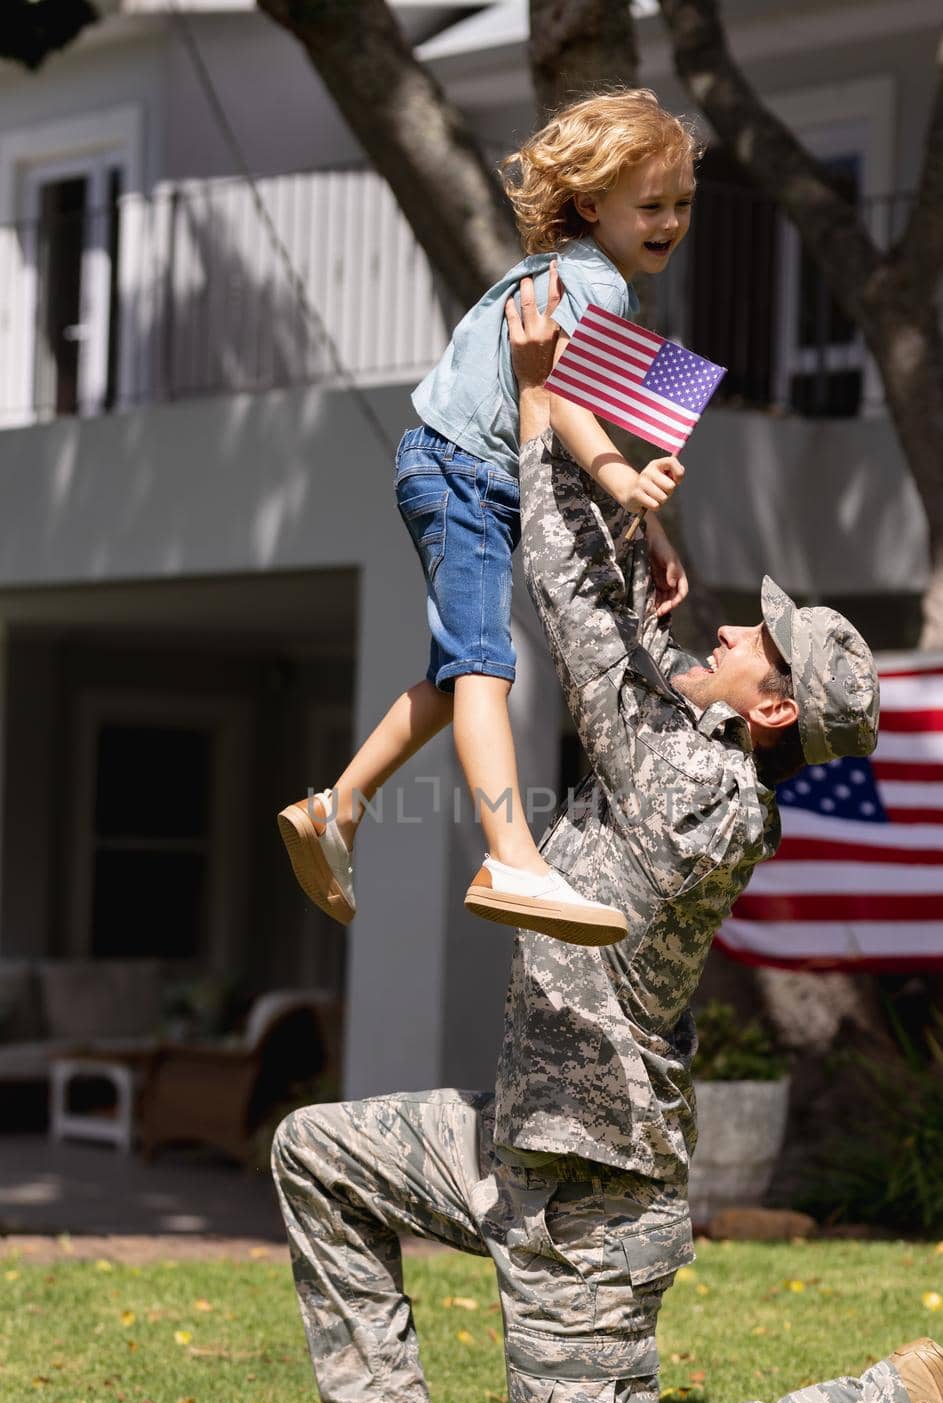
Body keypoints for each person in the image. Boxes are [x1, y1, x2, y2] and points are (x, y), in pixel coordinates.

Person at [238, 273, 943, 1403]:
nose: (729, 632)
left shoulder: (694, 789)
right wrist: (632, 518)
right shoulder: (702, 754)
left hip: (588, 1190)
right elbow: (635, 650)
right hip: (524, 1136)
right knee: (318, 1153)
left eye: (754, 643)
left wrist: (542, 400)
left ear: (769, 710)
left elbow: (572, 616)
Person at [277, 88, 697, 949]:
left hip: (451, 467)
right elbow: (573, 409)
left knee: (452, 674)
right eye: (650, 206)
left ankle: (336, 808)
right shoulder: (592, 286)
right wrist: (623, 487)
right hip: (464, 473)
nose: (669, 223)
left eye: (682, 204)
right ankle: (510, 853)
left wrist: (646, 530)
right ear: (591, 205)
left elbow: (599, 415)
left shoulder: (579, 278)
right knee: (484, 665)